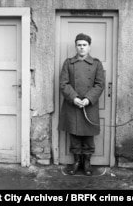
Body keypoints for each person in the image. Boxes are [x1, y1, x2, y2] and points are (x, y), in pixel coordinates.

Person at [58, 33, 105, 176]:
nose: (82, 48)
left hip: (89, 105)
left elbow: (100, 84)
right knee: (74, 134)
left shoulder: (96, 63)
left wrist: (88, 99)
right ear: (76, 46)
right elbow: (63, 83)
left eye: (84, 45)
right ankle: (76, 162)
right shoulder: (68, 63)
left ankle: (87, 163)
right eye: (79, 45)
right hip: (73, 105)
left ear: (89, 47)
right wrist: (73, 98)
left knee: (88, 135)